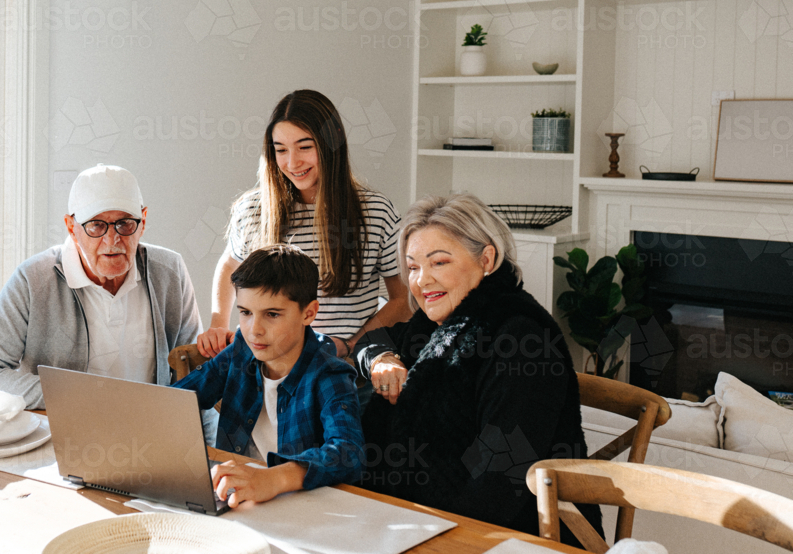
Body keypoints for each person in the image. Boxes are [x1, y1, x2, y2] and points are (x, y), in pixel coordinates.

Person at [357, 194, 602, 544]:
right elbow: (373, 339)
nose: (422, 281)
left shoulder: (522, 340)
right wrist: (381, 359)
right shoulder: (433, 325)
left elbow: (498, 481)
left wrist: (416, 537)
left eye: (438, 262)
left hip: (514, 538)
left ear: (486, 259)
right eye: (412, 267)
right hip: (421, 522)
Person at [0, 164, 203, 410]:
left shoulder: (170, 272)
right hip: (61, 441)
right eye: (96, 225)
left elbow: (196, 378)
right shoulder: (33, 280)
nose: (112, 240)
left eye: (125, 223)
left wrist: (204, 448)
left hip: (150, 436)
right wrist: (76, 395)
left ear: (143, 221)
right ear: (72, 227)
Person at [197, 90, 409, 362]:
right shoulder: (252, 210)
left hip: (344, 372)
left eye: (305, 147)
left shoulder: (376, 212)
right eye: (281, 150)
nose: (292, 162)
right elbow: (230, 265)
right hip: (266, 372)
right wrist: (217, 323)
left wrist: (351, 346)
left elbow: (402, 300)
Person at [174, 245, 364, 507]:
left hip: (300, 508)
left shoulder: (330, 373)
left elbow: (348, 452)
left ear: (308, 313)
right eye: (245, 313)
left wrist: (273, 479)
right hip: (235, 499)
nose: (255, 331)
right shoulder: (241, 349)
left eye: (272, 314)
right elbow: (179, 401)